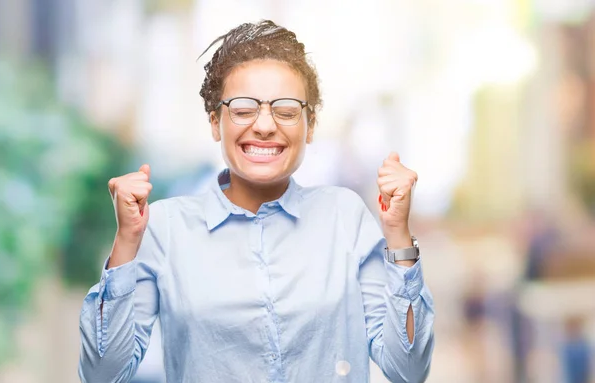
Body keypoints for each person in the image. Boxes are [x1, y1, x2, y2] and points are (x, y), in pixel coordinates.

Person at [78, 20, 435, 383]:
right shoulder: (166, 228)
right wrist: (126, 241)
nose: (265, 126)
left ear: (310, 125)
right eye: (244, 109)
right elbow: (103, 374)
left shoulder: (344, 216)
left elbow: (407, 370)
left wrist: (397, 234)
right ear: (215, 122)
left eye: (286, 110)